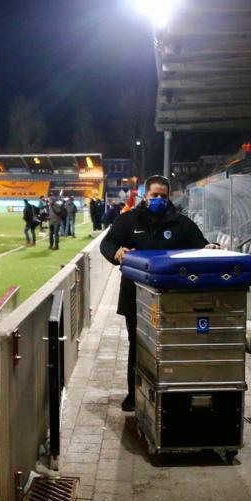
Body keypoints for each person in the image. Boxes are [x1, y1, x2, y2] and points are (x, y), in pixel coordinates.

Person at [100, 175, 220, 412]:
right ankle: (135, 394)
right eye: (154, 195)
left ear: (168, 197)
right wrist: (117, 253)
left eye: (163, 196)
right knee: (138, 345)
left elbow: (201, 245)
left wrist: (209, 247)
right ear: (145, 195)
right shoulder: (128, 220)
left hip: (173, 298)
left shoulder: (181, 223)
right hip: (135, 297)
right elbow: (108, 243)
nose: (158, 200)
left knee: (171, 344)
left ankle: (170, 391)